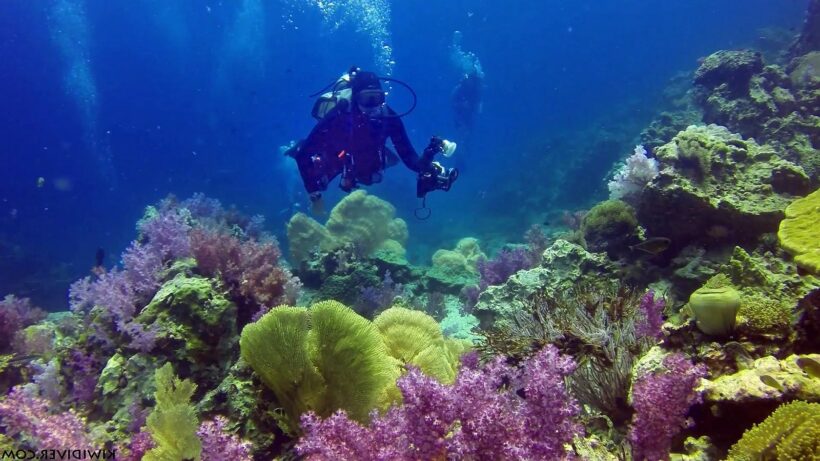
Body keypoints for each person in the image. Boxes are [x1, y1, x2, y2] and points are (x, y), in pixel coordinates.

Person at [285, 66, 458, 214]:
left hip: (366, 157)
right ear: (355, 97)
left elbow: (411, 161)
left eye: (378, 98)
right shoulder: (339, 115)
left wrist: (428, 157)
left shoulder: (389, 117)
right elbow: (303, 155)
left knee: (371, 176)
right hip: (336, 153)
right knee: (318, 179)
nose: (373, 106)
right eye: (367, 99)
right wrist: (314, 194)